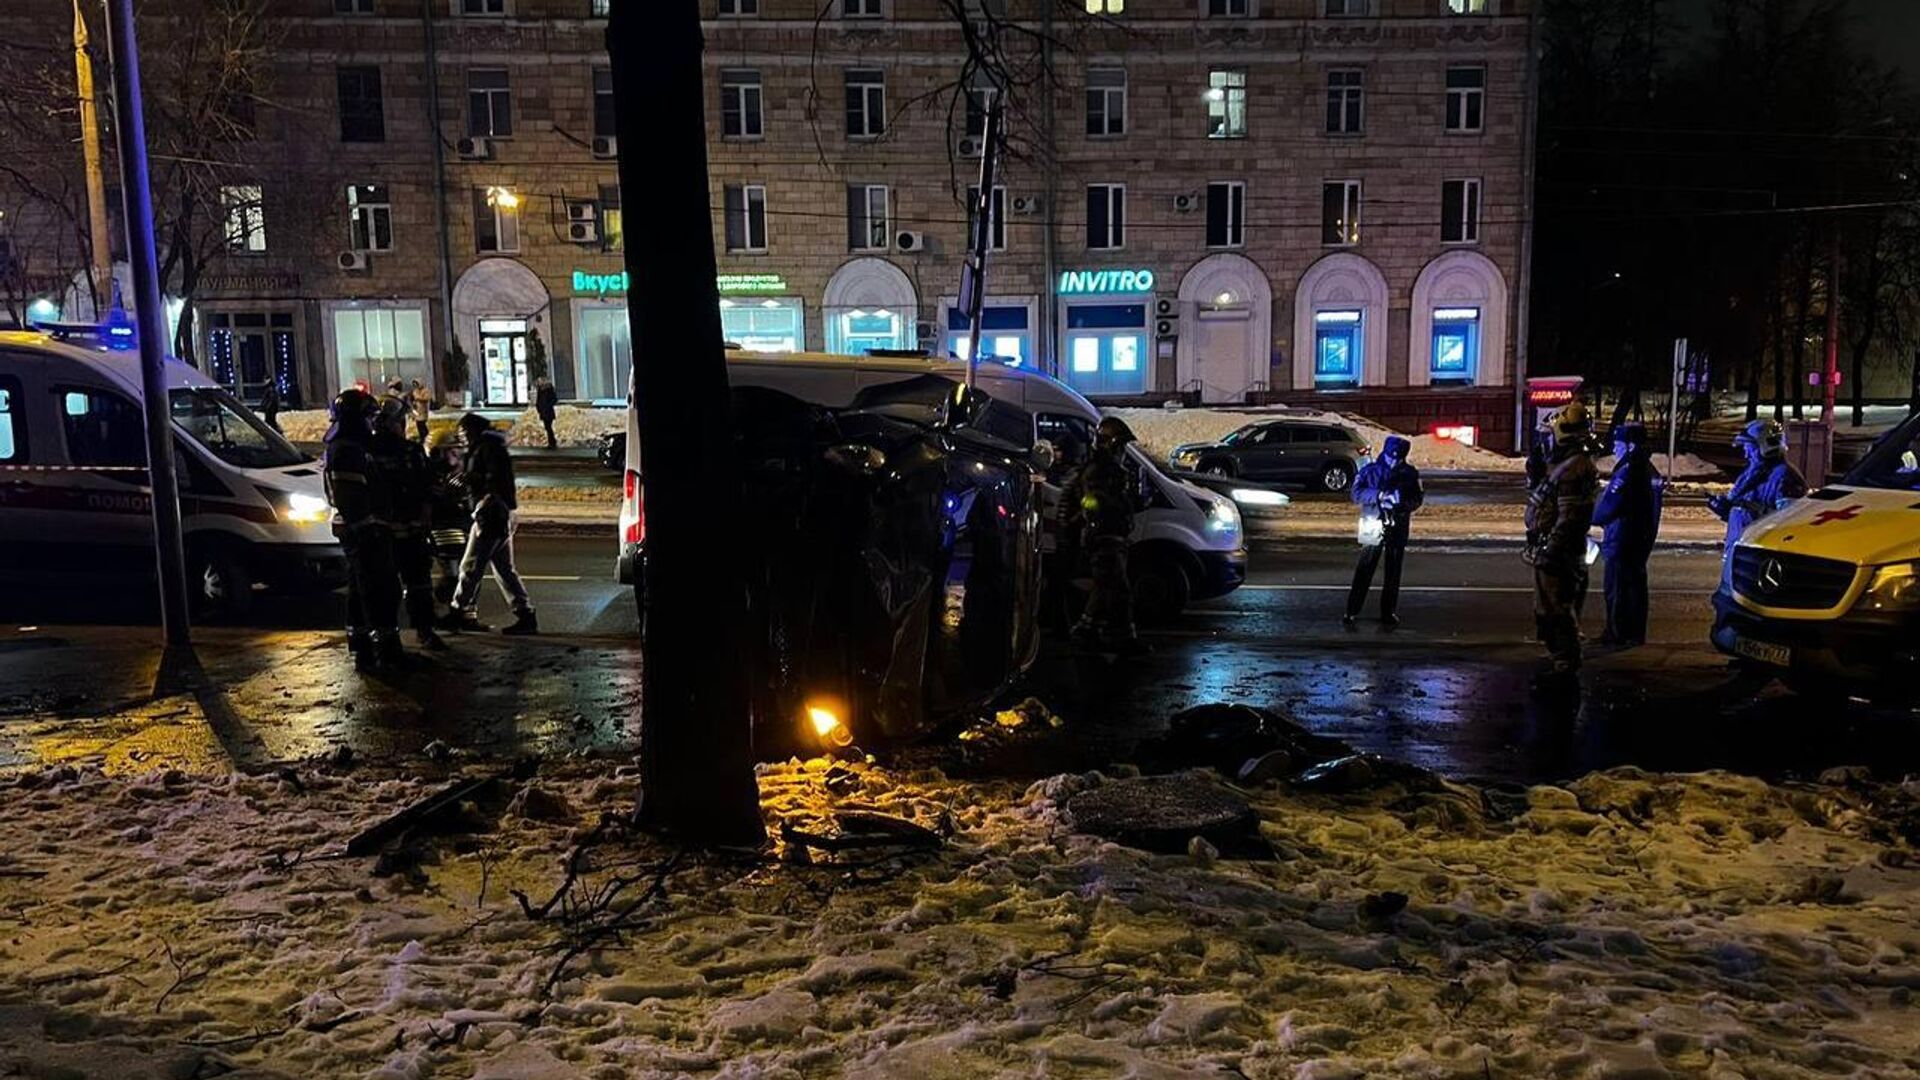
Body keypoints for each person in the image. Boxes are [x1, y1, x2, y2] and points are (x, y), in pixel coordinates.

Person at [323, 388, 404, 669]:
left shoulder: (353, 447)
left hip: (363, 529)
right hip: (362, 532)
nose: (373, 424)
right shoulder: (346, 450)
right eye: (369, 418)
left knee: (362, 589)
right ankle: (384, 649)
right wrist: (370, 526)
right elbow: (350, 497)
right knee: (377, 589)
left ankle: (365, 648)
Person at [1525, 402, 1600, 677]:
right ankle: (1560, 657)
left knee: (1558, 606)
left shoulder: (1576, 468)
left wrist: (1552, 549)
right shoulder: (1567, 465)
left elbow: (1570, 517)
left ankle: (1565, 663)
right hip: (1553, 545)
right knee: (1549, 605)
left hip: (1560, 550)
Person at [445, 412, 538, 635]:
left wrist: (471, 480)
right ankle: (525, 615)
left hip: (490, 513)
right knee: (504, 570)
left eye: (464, 433)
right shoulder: (489, 446)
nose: (463, 437)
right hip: (498, 512)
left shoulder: (486, 448)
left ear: (472, 431)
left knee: (471, 565)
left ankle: (458, 612)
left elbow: (495, 479)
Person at [1060, 417, 1146, 653]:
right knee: (1118, 589)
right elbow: (1092, 502)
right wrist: (1111, 511)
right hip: (1104, 537)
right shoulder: (1098, 471)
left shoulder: (1111, 470)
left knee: (1106, 588)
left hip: (1111, 536)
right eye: (1120, 446)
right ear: (1110, 444)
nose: (1122, 452)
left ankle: (1090, 631)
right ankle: (1114, 637)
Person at [371, 399, 450, 652]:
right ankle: (420, 632)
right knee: (415, 584)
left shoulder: (369, 452)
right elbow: (430, 487)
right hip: (404, 532)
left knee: (389, 586)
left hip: (384, 533)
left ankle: (388, 637)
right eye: (400, 422)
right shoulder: (408, 452)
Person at [1592, 422, 1663, 647]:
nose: (1615, 448)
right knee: (1635, 587)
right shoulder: (1648, 469)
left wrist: (1591, 516)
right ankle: (1633, 633)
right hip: (1639, 537)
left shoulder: (1629, 470)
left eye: (1618, 443)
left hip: (1622, 537)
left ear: (1631, 445)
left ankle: (1618, 633)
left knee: (1618, 587)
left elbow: (1611, 504)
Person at [1708, 419, 1807, 578]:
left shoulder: (1785, 477)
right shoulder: (1751, 474)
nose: (1745, 453)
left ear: (1765, 446)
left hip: (1759, 565)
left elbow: (1789, 527)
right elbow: (1747, 513)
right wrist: (1727, 509)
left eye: (1749, 447)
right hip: (1739, 559)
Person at [1344, 434, 1424, 628]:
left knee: (1393, 571)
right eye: (1391, 457)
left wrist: (1401, 503)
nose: (1394, 461)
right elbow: (1355, 493)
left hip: (1397, 523)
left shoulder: (1410, 474)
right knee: (1365, 568)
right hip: (1373, 522)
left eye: (1398, 458)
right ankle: (1352, 610)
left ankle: (1388, 612)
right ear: (1385, 454)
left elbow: (1417, 499)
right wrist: (1379, 496)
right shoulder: (1369, 470)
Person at [534, 377, 559, 450]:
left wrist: (547, 405)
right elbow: (538, 401)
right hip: (544, 411)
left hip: (548, 411)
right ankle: (552, 442)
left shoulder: (548, 389)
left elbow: (554, 399)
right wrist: (539, 408)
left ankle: (552, 442)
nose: (539, 382)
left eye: (540, 381)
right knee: (547, 427)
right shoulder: (540, 390)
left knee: (548, 427)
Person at [408, 378, 433, 443]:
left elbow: (427, 398)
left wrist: (418, 398)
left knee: (422, 425)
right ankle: (423, 438)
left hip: (423, 410)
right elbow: (412, 398)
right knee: (419, 425)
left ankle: (426, 438)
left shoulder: (426, 390)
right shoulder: (415, 391)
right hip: (417, 410)